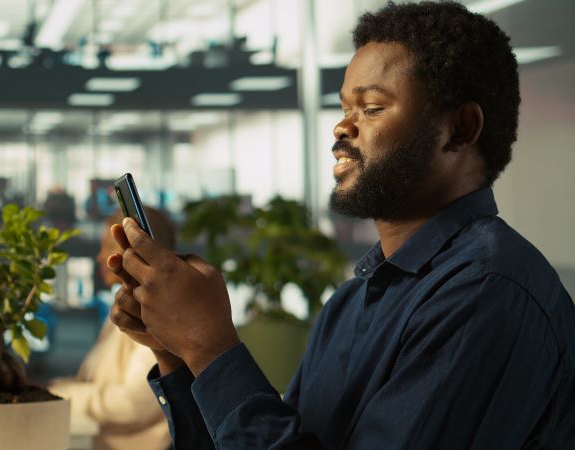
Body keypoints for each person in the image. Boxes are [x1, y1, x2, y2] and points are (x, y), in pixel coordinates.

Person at [107, 2, 575, 449]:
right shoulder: (351, 303)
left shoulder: (486, 292)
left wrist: (212, 348)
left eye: (371, 108)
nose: (341, 128)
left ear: (460, 128)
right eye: (344, 108)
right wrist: (179, 353)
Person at [48, 207, 177, 450]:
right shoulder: (125, 309)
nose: (99, 257)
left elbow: (134, 404)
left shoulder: (155, 318)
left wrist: (63, 396)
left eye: (107, 246)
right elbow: (93, 382)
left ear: (136, 251)